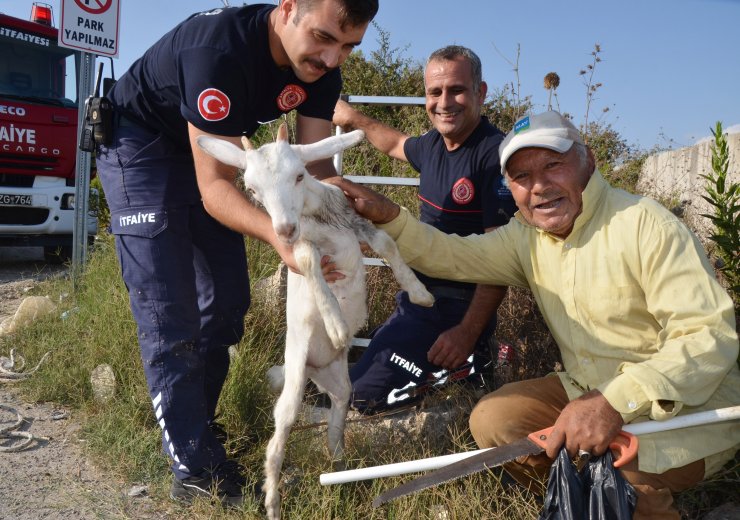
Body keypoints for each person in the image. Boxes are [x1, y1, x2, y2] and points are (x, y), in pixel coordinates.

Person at [328, 110, 740, 519]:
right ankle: (574, 497)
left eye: (553, 165)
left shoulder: (645, 224)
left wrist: (611, 402)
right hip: (586, 389)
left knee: (620, 476)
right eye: (521, 176)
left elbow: (707, 337)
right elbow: (452, 256)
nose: (539, 186)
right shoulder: (526, 236)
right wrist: (390, 218)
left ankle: (628, 498)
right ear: (509, 186)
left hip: (685, 408)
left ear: (588, 161)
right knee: (494, 419)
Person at [94, 0, 378, 506]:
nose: (333, 59)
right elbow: (214, 189)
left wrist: (344, 218)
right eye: (323, 37)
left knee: (227, 299)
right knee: (169, 308)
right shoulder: (218, 53)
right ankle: (193, 468)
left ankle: (194, 426)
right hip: (143, 146)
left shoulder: (323, 70)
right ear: (288, 9)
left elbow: (315, 173)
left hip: (218, 153)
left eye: (349, 46)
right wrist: (280, 238)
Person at [331, 45, 516, 413]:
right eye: (435, 92)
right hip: (415, 302)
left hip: (455, 311)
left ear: (481, 92)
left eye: (457, 90)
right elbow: (397, 144)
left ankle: (471, 363)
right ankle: (462, 372)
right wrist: (354, 118)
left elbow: (501, 261)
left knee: (364, 399)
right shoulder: (433, 144)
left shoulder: (494, 156)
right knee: (351, 387)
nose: (444, 102)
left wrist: (466, 333)